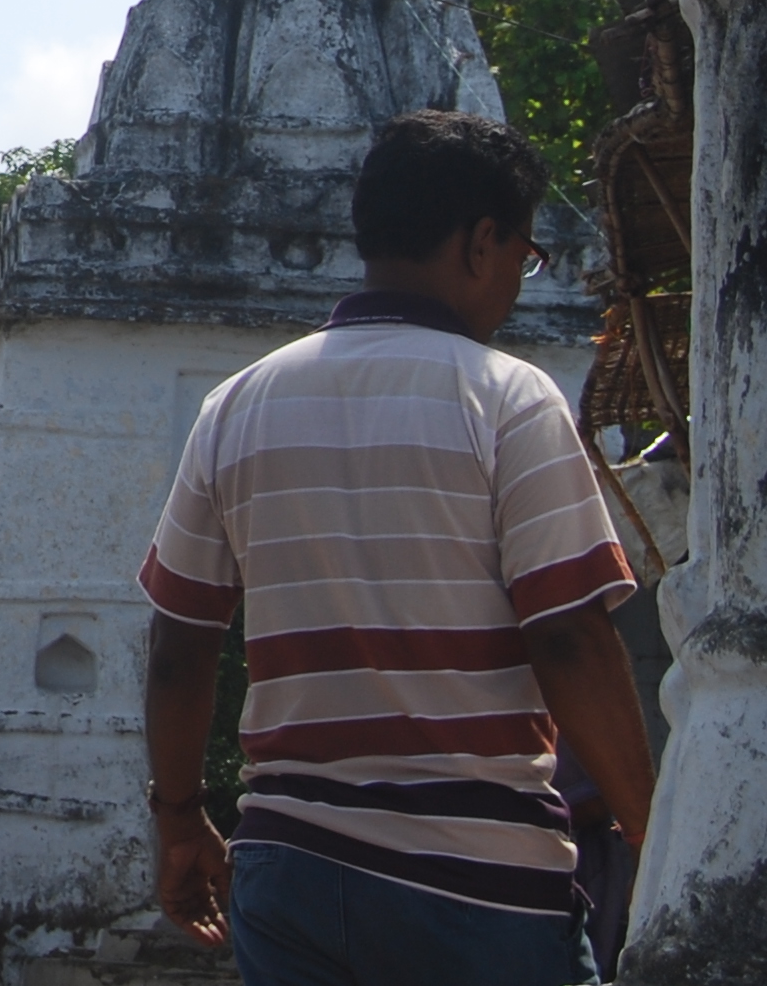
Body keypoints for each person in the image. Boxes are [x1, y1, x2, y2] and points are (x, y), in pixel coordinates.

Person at [138, 108, 658, 986]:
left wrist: (182, 821)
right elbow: (568, 635)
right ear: (482, 242)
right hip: (476, 879)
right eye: (524, 259)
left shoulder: (237, 405)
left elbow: (180, 650)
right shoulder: (509, 400)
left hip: (289, 868)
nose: (516, 285)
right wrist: (655, 828)